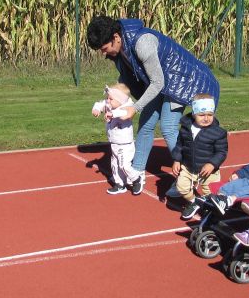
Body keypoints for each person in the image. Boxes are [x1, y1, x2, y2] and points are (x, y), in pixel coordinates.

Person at [86, 15, 220, 192]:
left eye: (104, 48)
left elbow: (158, 82)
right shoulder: (119, 51)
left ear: (116, 37)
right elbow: (128, 80)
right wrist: (114, 99)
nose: (103, 53)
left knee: (168, 126)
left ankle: (188, 174)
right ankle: (137, 172)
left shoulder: (143, 43)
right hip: (162, 81)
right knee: (146, 124)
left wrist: (135, 108)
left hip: (183, 80)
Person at [172, 94, 229, 220]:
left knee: (210, 192)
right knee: (181, 187)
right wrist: (177, 159)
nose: (206, 118)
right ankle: (194, 201)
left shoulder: (218, 133)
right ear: (194, 114)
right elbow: (179, 145)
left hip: (208, 170)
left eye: (210, 114)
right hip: (188, 167)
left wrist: (212, 164)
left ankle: (211, 209)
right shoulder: (185, 128)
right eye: (202, 115)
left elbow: (221, 151)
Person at [91, 83, 144, 195]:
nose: (108, 100)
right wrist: (96, 109)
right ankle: (119, 184)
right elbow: (100, 103)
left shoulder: (127, 107)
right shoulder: (110, 103)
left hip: (125, 144)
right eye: (108, 98)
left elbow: (124, 112)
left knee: (124, 165)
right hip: (114, 142)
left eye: (111, 99)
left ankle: (136, 179)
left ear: (120, 100)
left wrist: (113, 114)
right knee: (114, 164)